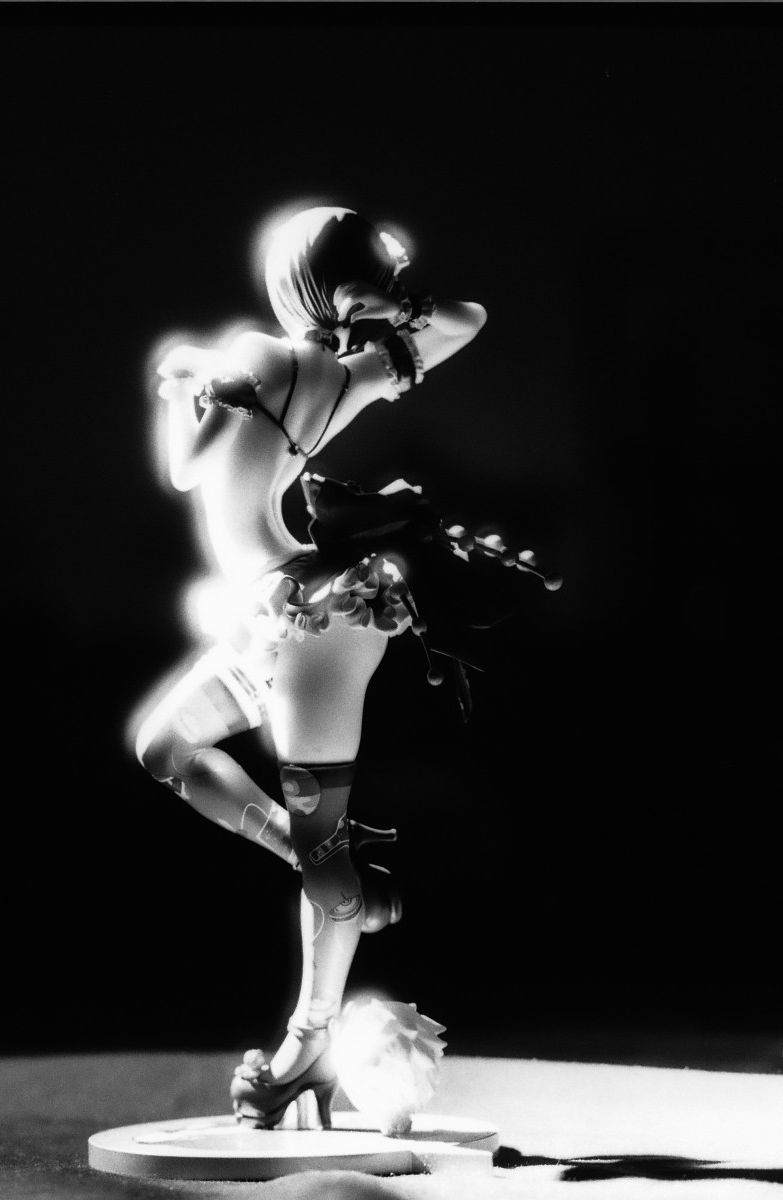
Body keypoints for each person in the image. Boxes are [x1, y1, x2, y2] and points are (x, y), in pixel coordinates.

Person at [131, 206, 493, 1128]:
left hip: (312, 622)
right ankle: (329, 870)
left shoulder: (271, 357)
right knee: (165, 748)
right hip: (269, 615)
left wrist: (186, 382)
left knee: (319, 846)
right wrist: (391, 309)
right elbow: (186, 475)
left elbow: (470, 318)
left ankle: (307, 1043)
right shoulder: (341, 374)